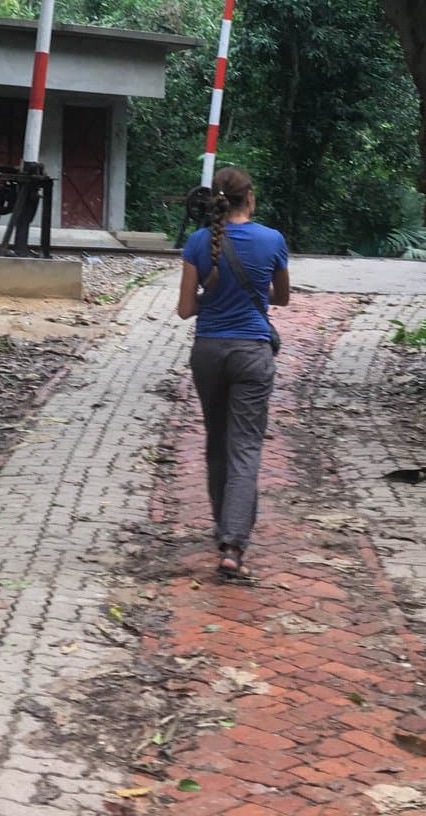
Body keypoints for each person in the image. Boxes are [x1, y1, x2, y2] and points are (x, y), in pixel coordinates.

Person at [176, 166, 289, 579]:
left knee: (217, 443)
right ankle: (232, 544)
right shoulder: (273, 240)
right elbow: (283, 298)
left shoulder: (197, 242)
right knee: (245, 447)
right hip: (252, 354)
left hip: (208, 352)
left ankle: (222, 529)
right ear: (250, 198)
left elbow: (186, 309)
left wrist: (214, 296)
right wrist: (252, 293)